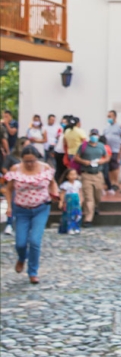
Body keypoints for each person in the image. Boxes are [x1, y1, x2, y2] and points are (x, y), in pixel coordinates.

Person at [3, 145, 58, 284]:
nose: (29, 164)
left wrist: (55, 194)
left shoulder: (45, 168)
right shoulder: (16, 169)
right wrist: (9, 206)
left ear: (36, 159)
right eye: (26, 161)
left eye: (32, 161)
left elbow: (53, 183)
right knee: (20, 243)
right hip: (21, 209)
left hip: (41, 208)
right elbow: (8, 190)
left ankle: (33, 272)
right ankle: (22, 257)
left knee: (35, 241)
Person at [74, 129, 109, 228]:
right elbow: (76, 157)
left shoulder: (101, 146)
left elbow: (107, 157)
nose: (94, 136)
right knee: (88, 197)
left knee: (97, 195)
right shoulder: (83, 146)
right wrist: (83, 161)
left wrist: (102, 161)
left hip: (98, 173)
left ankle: (96, 206)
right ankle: (88, 219)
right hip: (86, 174)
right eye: (92, 134)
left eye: (96, 135)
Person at [104, 110, 121, 195]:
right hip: (108, 150)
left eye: (110, 116)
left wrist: (120, 149)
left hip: (116, 149)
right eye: (108, 116)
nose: (109, 118)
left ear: (115, 117)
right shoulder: (106, 128)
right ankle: (111, 183)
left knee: (115, 166)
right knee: (109, 167)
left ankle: (116, 183)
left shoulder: (119, 126)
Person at [59, 168, 83, 235]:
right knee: (69, 215)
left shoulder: (78, 183)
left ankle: (76, 227)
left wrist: (81, 200)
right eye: (71, 174)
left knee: (77, 214)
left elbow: (80, 193)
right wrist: (61, 201)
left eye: (75, 174)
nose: (73, 176)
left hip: (76, 200)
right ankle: (69, 228)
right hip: (69, 201)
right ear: (67, 176)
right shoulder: (65, 184)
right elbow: (62, 193)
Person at [53, 117, 70, 184]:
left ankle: (59, 183)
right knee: (61, 170)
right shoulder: (63, 133)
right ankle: (59, 183)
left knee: (61, 170)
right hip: (60, 153)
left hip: (61, 152)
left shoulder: (64, 133)